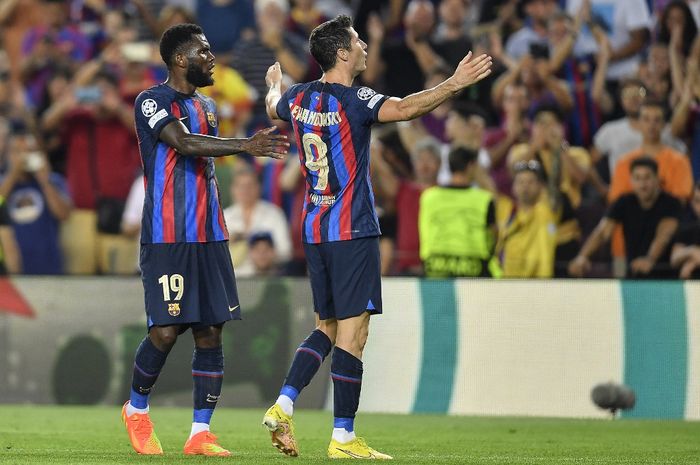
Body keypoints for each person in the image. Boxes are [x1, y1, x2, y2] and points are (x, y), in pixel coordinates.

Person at [264, 14, 492, 459]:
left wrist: (274, 81)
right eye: (357, 40)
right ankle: (344, 439)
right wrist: (453, 83)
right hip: (352, 228)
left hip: (316, 228)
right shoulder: (355, 99)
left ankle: (284, 404)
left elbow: (272, 102)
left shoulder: (297, 97)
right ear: (343, 53)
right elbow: (406, 108)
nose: (366, 45)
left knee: (325, 328)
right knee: (355, 334)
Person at [122, 23, 288, 457]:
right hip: (167, 236)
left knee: (210, 330)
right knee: (165, 329)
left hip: (210, 236)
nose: (213, 58)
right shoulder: (151, 101)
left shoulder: (210, 106)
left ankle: (200, 433)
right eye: (204, 51)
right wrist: (245, 145)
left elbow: (204, 145)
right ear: (180, 59)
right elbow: (184, 143)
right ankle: (136, 411)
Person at [569, 157, 680, 279]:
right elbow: (602, 232)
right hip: (632, 275)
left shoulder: (671, 203)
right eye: (637, 178)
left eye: (647, 177)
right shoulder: (624, 202)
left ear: (657, 179)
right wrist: (583, 257)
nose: (642, 184)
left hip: (667, 277)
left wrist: (650, 259)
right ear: (631, 180)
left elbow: (664, 235)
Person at [419, 147, 499, 278]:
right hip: (475, 271)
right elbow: (493, 236)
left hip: (434, 270)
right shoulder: (484, 200)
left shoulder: (428, 197)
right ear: (470, 166)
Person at [498, 160, 557, 278]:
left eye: (530, 182)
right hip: (508, 281)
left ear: (540, 187)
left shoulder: (545, 212)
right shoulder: (506, 210)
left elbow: (546, 254)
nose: (525, 186)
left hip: (537, 284)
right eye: (520, 182)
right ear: (513, 187)